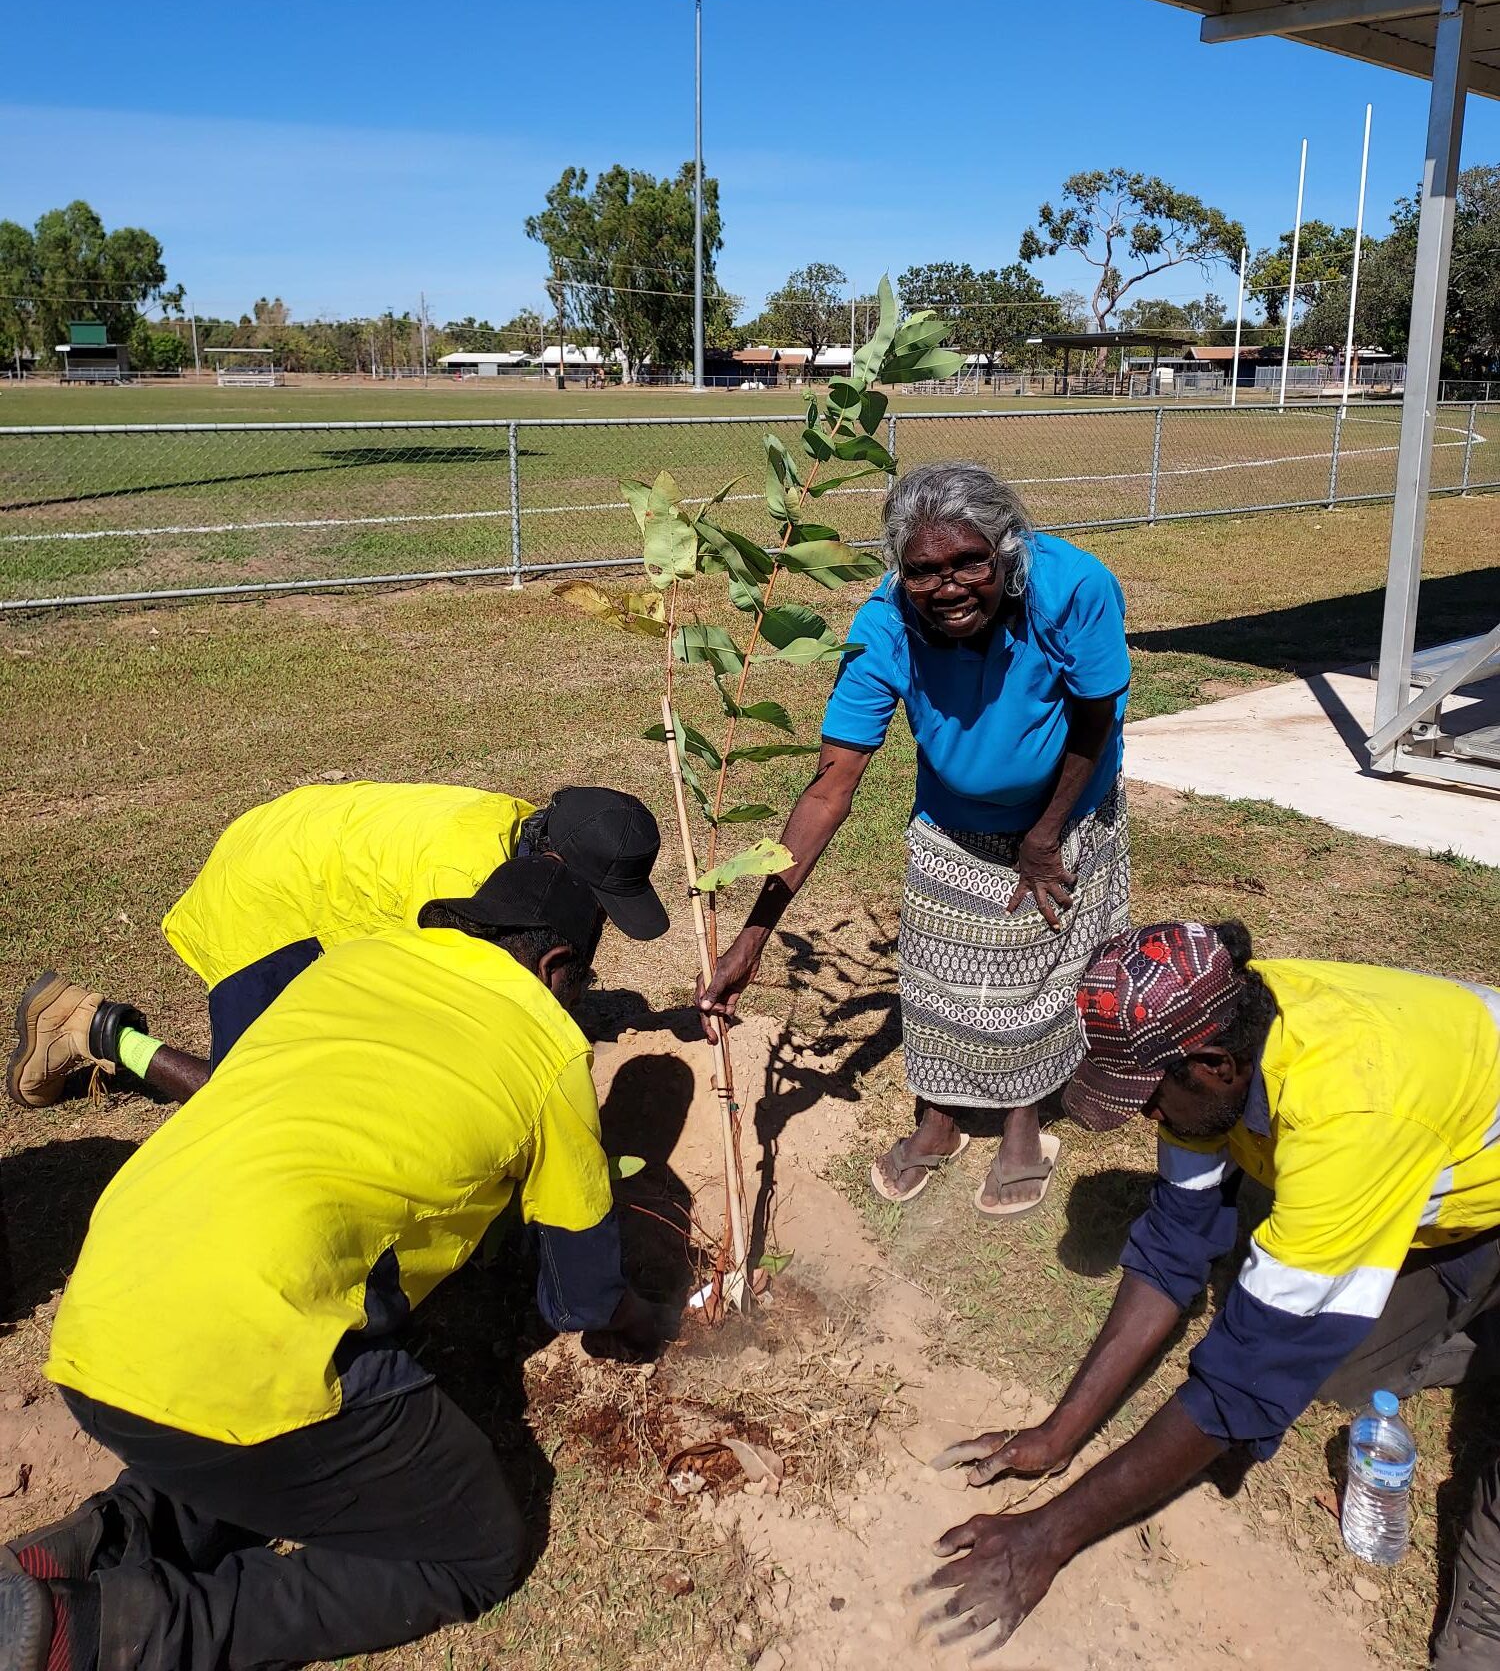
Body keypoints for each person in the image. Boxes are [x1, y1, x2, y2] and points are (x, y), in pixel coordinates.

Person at [0, 855, 661, 1671]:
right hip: (239, 1352)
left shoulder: (357, 958)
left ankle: (95, 1543)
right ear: (558, 967)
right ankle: (111, 1631)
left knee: (258, 1448)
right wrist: (655, 1319)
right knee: (472, 1547)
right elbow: (582, 1298)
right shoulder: (551, 1051)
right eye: (582, 983)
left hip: (102, 1324)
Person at [921, 921, 1500, 1666]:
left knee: (1289, 1355)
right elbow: (1173, 1246)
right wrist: (1058, 1434)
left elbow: (1242, 1380)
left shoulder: (1351, 1112)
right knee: (1339, 1369)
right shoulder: (1213, 1023)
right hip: (1438, 1140)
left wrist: (1047, 1535)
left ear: (1216, 1066)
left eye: (1149, 1096)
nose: (1143, 1116)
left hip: (1429, 1138)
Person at [702, 462, 1131, 1217]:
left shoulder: (1075, 589)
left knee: (1037, 969)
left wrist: (1044, 836)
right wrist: (754, 936)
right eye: (924, 571)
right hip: (951, 815)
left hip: (1065, 803)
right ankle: (939, 1121)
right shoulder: (885, 626)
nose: (950, 586)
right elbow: (830, 788)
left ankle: (1022, 1120)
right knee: (935, 974)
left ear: (1008, 549)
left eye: (972, 562)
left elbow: (1096, 719)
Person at [8, 779, 669, 1109]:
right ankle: (90, 1028)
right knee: (260, 1104)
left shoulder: (532, 833)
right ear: (555, 862)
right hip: (271, 892)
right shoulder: (463, 884)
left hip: (303, 840)